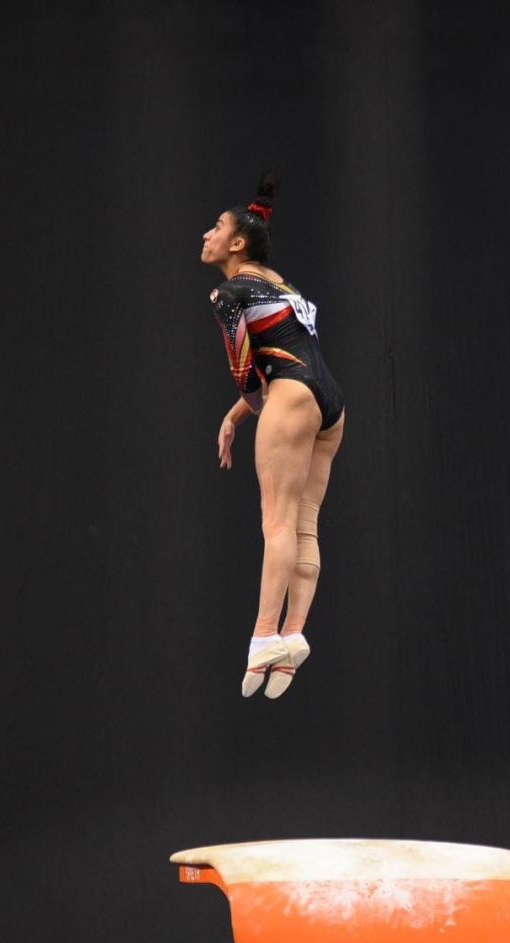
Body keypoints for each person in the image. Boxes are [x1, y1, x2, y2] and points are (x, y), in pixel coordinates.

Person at [201, 172, 345, 699]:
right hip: (331, 403)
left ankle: (264, 637)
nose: (205, 235)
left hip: (292, 397)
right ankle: (293, 633)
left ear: (237, 242)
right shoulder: (281, 283)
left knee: (277, 522)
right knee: (305, 524)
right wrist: (236, 417)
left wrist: (256, 409)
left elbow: (246, 372)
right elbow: (290, 353)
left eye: (215, 227)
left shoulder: (228, 292)